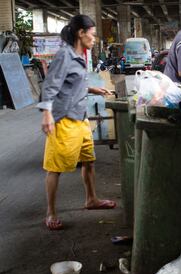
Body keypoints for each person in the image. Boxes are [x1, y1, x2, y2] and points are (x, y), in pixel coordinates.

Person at [37, 15, 116, 231]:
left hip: (80, 118)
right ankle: (51, 212)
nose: (94, 37)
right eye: (92, 33)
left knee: (88, 161)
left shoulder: (79, 55)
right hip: (64, 120)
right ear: (80, 33)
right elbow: (49, 86)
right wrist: (46, 114)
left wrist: (93, 89)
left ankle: (91, 199)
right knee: (55, 168)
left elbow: (71, 82)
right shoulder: (65, 55)